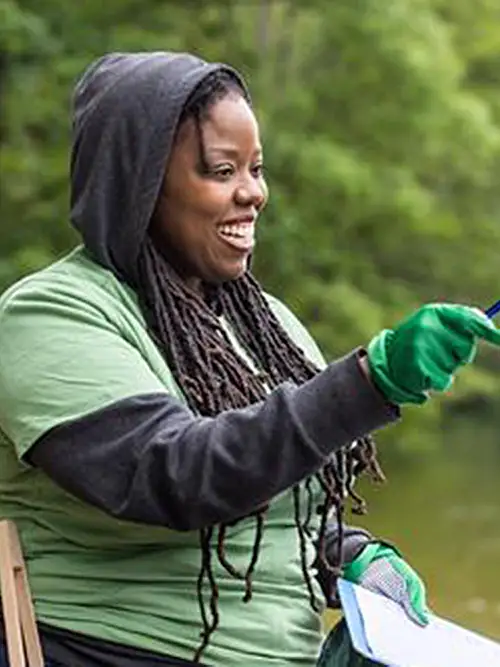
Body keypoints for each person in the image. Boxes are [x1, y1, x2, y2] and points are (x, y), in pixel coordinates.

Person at [0, 52, 499, 667]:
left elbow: (288, 506)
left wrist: (347, 553)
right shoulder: (46, 316)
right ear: (140, 183)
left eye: (257, 169)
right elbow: (174, 476)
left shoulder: (267, 326)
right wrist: (369, 381)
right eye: (221, 170)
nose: (253, 192)